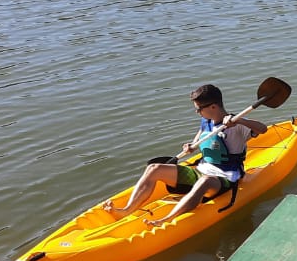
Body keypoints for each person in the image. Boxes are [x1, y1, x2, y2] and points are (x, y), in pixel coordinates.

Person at [104, 84, 266, 227]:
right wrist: (191, 146)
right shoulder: (207, 121)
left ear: (213, 107)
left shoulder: (236, 125)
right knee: (154, 168)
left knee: (205, 180)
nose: (197, 113)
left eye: (198, 109)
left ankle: (167, 219)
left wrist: (240, 121)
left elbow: (262, 129)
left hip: (225, 177)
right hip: (201, 169)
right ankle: (126, 210)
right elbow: (202, 136)